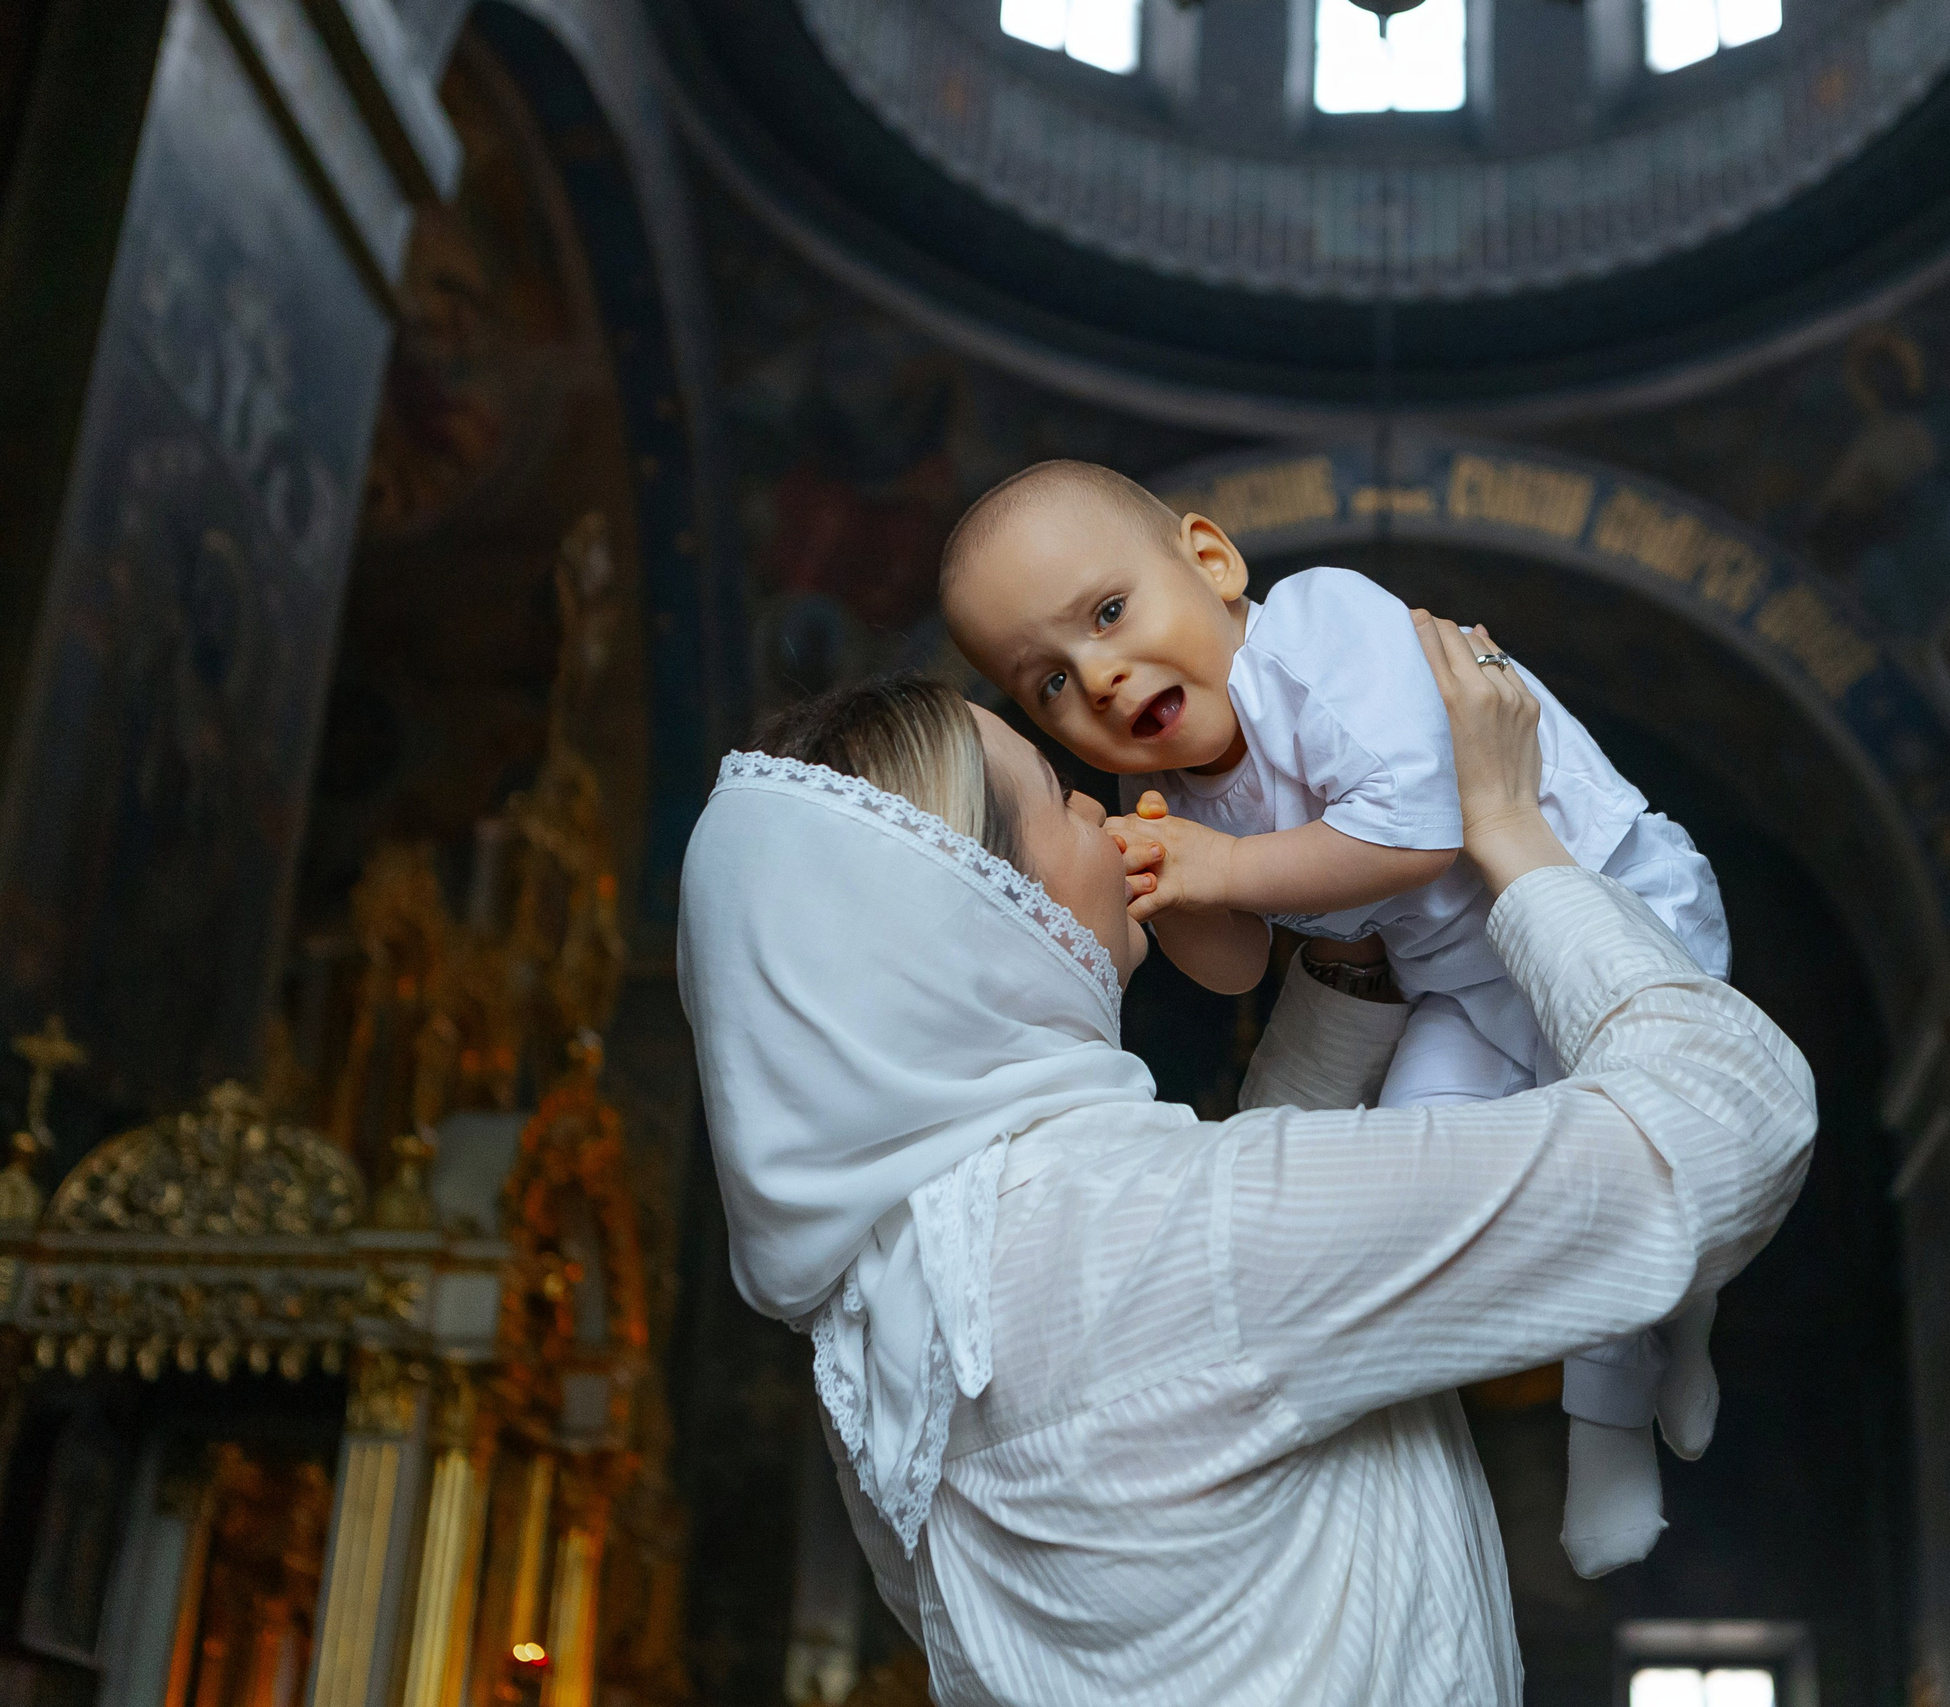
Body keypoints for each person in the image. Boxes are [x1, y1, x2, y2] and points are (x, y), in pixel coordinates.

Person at [677, 613, 1816, 1704]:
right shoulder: (1158, 1235)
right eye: (1051, 795)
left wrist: (1361, 957)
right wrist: (1516, 837)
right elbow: (1725, 1130)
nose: (1096, 802)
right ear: (982, 916)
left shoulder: (885, 1331)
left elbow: (1223, 1345)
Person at [938, 459, 1732, 1575]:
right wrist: (1170, 886)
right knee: (1414, 1169)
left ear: (1210, 563)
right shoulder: (1164, 794)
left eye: (1109, 615)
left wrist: (1227, 861)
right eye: (1050, 685)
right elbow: (1234, 968)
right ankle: (1640, 1333)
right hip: (1462, 989)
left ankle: (1627, 1407)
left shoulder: (1323, 629)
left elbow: (1422, 830)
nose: (1102, 676)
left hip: (1607, 906)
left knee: (1629, 1155)